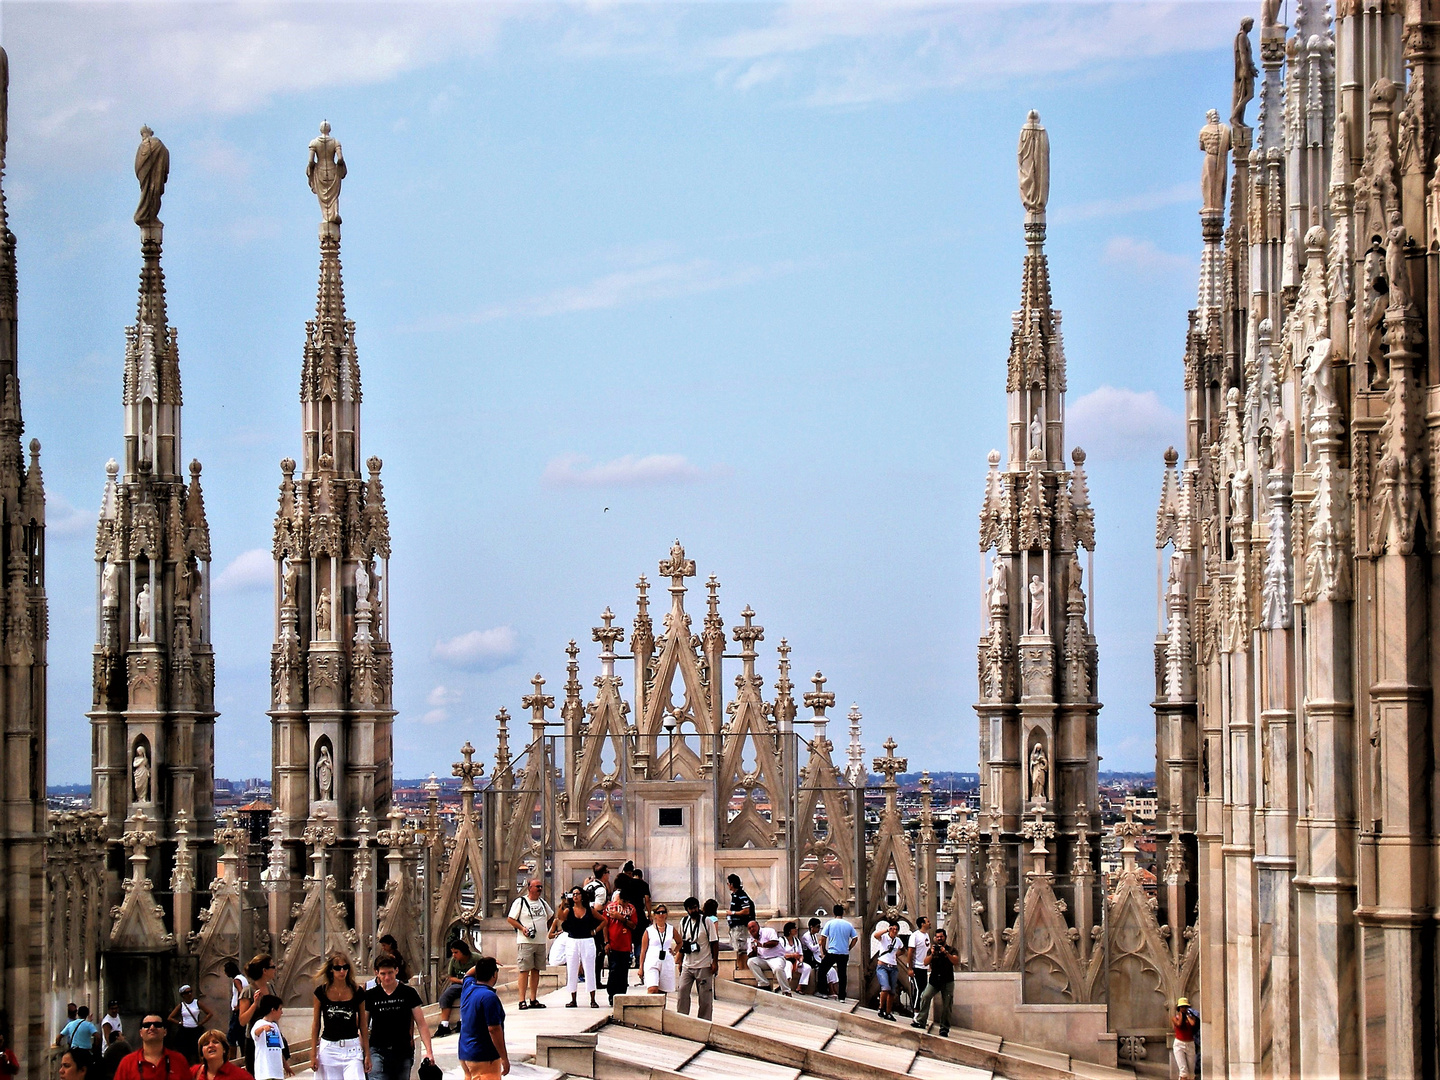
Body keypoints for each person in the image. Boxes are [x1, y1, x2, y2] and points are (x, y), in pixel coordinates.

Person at [364, 953, 434, 1080]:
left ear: (396, 970)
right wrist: (364, 1053)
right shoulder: (370, 995)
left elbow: (421, 1023)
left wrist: (429, 1051)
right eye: (383, 974)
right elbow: (363, 1025)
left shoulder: (409, 993)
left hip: (402, 1050)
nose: (387, 977)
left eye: (390, 973)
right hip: (377, 1049)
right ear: (376, 973)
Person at [310, 952, 369, 1080]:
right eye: (338, 968)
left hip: (352, 1047)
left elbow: (363, 1024)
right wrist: (313, 1052)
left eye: (345, 967)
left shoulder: (357, 991)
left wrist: (367, 1053)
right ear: (331, 970)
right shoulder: (321, 992)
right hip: (329, 1048)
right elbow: (316, 1024)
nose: (342, 971)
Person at [505, 878, 554, 1011]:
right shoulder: (520, 901)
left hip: (540, 941)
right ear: (529, 888)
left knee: (536, 970)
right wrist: (522, 929)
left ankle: (533, 999)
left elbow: (551, 916)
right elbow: (510, 918)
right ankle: (522, 1000)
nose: (539, 889)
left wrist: (545, 929)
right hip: (526, 942)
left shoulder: (542, 902)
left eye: (541, 887)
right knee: (524, 970)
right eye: (537, 886)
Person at [457, 957, 508, 1079]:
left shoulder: (468, 988)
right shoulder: (489, 997)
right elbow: (494, 1029)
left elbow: (468, 974)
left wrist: (482, 964)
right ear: (494, 974)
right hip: (484, 1056)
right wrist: (504, 1057)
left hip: (465, 1053)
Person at [561, 885, 606, 1008]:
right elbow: (560, 918)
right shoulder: (569, 910)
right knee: (572, 968)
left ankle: (592, 998)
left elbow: (604, 920)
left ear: (582, 896)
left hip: (587, 939)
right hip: (573, 940)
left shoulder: (589, 910)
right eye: (573, 894)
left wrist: (595, 931)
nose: (575, 896)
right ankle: (573, 998)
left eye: (577, 894)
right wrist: (563, 902)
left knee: (589, 968)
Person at [676, 896, 719, 1020]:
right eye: (691, 909)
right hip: (687, 965)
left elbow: (714, 942)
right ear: (687, 910)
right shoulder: (683, 922)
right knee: (682, 993)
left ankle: (704, 1022)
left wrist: (715, 962)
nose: (694, 910)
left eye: (695, 907)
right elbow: (682, 943)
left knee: (705, 998)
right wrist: (680, 960)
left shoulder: (707, 921)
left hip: (704, 965)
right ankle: (682, 1020)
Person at [113, 1014, 190, 1080]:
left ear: (165, 1032)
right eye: (147, 1025)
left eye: (157, 1025)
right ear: (141, 1033)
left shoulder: (179, 1060)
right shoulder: (127, 1063)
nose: (152, 1027)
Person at [910, 930, 957, 1037]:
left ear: (945, 937)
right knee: (925, 996)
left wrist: (946, 953)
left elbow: (955, 961)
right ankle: (921, 1021)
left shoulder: (951, 949)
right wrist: (932, 953)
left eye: (941, 937)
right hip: (934, 980)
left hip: (947, 980)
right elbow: (925, 962)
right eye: (937, 937)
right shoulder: (931, 950)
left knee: (947, 1005)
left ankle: (944, 1028)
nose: (939, 938)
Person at [237, 955, 277, 1072]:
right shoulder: (248, 991)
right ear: (264, 970)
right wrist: (254, 1004)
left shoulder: (270, 987)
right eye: (272, 967)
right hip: (255, 1040)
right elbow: (243, 1020)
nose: (275, 970)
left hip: (271, 1037)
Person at [601, 885, 637, 1003]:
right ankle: (612, 994)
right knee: (613, 970)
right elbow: (605, 925)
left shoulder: (631, 909)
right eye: (623, 901)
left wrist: (621, 918)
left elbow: (634, 925)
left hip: (625, 945)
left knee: (623, 971)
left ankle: (622, 994)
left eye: (627, 902)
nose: (625, 904)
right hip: (613, 944)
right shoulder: (610, 908)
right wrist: (606, 942)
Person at [817, 904, 858, 1002]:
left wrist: (823, 949)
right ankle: (842, 997)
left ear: (834, 912)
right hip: (844, 953)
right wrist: (849, 948)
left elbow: (823, 938)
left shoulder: (830, 923)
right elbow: (855, 938)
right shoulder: (848, 924)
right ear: (843, 912)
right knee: (842, 975)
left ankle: (823, 992)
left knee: (822, 970)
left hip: (832, 951)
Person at [433, 941, 473, 1037]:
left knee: (467, 995)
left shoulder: (475, 958)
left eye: (456, 952)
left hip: (472, 984)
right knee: (445, 997)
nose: (454, 955)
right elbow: (450, 977)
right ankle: (444, 1025)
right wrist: (460, 981)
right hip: (459, 984)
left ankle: (463, 1021)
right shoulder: (453, 961)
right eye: (453, 952)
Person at [615, 862, 652, 964]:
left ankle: (629, 957)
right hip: (639, 913)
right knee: (639, 937)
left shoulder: (624, 884)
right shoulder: (643, 884)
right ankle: (638, 958)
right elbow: (647, 899)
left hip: (627, 913)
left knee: (628, 935)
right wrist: (649, 914)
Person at [639, 905, 679, 996]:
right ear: (655, 915)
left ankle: (661, 1010)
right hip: (652, 961)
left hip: (666, 961)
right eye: (658, 912)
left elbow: (680, 942)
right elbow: (643, 950)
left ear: (666, 915)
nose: (661, 914)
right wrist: (641, 967)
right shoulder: (648, 931)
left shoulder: (671, 929)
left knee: (662, 992)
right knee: (653, 989)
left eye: (663, 912)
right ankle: (651, 1009)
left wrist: (675, 951)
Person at [745, 920, 792, 996]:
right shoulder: (750, 939)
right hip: (763, 960)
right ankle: (764, 984)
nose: (752, 929)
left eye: (753, 927)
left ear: (758, 926)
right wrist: (754, 950)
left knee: (778, 968)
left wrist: (762, 945)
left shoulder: (768, 931)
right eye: (749, 928)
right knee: (751, 961)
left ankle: (786, 990)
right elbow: (750, 955)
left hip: (776, 958)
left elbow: (775, 942)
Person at [248, 997, 290, 1080]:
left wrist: (286, 1066)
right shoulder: (259, 1023)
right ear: (273, 1010)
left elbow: (279, 1048)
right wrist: (262, 1028)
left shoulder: (275, 1026)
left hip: (277, 1072)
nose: (281, 1012)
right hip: (264, 1072)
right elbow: (255, 1033)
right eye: (280, 1009)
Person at [169, 985, 213, 1063]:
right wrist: (179, 1022)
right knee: (185, 1052)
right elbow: (170, 1017)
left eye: (190, 992)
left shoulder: (197, 1003)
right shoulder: (181, 1005)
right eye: (187, 992)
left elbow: (209, 1013)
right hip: (185, 1030)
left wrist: (201, 1022)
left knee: (197, 1051)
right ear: (183, 995)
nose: (189, 994)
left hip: (195, 1030)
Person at [725, 875, 756, 974]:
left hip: (740, 927)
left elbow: (746, 911)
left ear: (732, 884)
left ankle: (743, 969)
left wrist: (732, 913)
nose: (728, 885)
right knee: (736, 947)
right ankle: (739, 967)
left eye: (729, 883)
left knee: (741, 948)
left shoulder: (741, 895)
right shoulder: (735, 895)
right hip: (734, 927)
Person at [872, 922, 902, 1020]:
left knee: (892, 991)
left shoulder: (898, 941)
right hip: (882, 966)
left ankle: (888, 1012)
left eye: (896, 929)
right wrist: (886, 930)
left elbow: (903, 949)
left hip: (893, 967)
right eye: (893, 929)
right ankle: (881, 1008)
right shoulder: (884, 937)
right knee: (885, 987)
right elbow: (876, 935)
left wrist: (897, 955)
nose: (894, 931)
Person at [800, 918, 836, 996]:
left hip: (817, 958)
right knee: (823, 971)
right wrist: (820, 943)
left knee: (831, 970)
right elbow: (812, 948)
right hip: (810, 959)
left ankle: (832, 991)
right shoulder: (806, 936)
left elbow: (816, 950)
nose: (819, 929)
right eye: (817, 927)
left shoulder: (814, 935)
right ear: (811, 927)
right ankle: (823, 991)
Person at [1171, 997, 1200, 1080]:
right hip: (1179, 1045)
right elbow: (1179, 1024)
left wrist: (1187, 1015)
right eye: (1182, 1007)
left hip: (1190, 1044)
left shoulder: (1191, 1017)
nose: (1184, 1008)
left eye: (1185, 1007)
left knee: (1191, 1072)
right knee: (1183, 1071)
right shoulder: (1175, 1018)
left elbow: (1192, 1024)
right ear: (1179, 1008)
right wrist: (1181, 1015)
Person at [780, 922, 810, 993]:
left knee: (807, 968)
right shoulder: (782, 940)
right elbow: (780, 954)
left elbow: (801, 954)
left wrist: (801, 961)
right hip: (785, 961)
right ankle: (786, 986)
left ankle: (799, 987)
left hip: (796, 961)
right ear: (789, 930)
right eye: (794, 928)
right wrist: (792, 955)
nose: (796, 929)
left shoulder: (797, 940)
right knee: (788, 965)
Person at [907, 917, 931, 1002]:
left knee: (924, 990)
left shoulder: (926, 935)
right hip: (916, 967)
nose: (930, 923)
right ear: (922, 924)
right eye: (928, 922)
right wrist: (910, 968)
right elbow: (910, 952)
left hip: (924, 967)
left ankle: (920, 1009)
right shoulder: (915, 935)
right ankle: (916, 1011)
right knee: (918, 989)